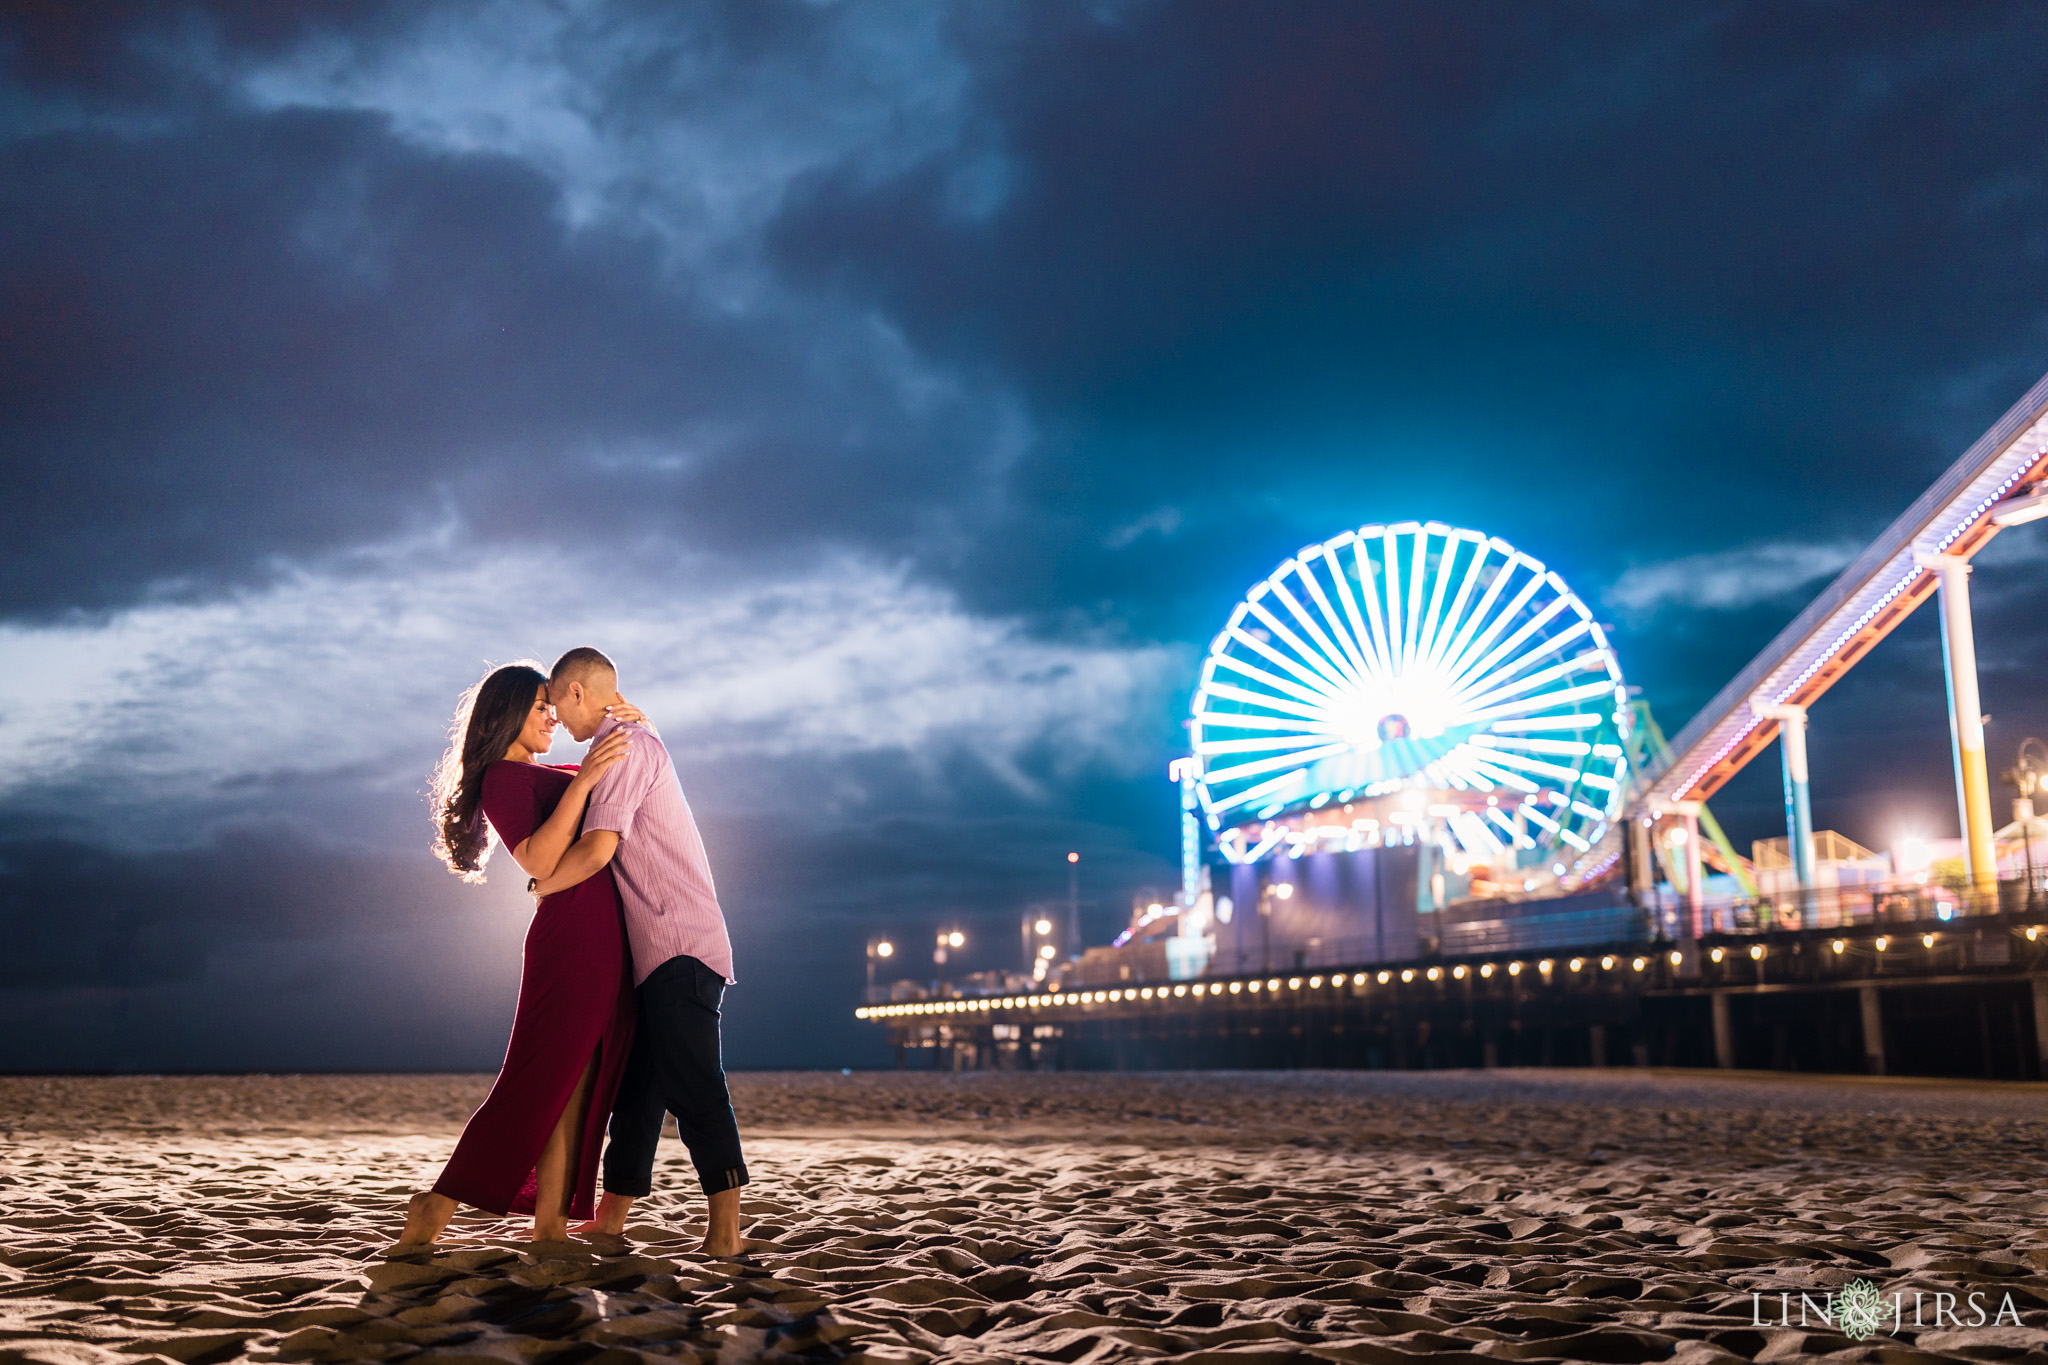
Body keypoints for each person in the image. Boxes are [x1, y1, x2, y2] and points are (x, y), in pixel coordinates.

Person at [396, 662, 641, 1247]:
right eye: (538, 706)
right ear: (506, 712)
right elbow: (536, 861)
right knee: (534, 1082)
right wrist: (582, 783)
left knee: (573, 1086)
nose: (551, 715)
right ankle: (437, 1204)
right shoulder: (504, 778)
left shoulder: (546, 771)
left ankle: (551, 1224)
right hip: (572, 940)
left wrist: (625, 716)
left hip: (605, 935)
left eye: (551, 704)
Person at [532, 646, 748, 1258]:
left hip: (679, 942)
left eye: (554, 703)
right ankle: (612, 1219)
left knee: (694, 1087)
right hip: (658, 950)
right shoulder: (633, 739)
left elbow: (600, 848)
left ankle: (727, 1232)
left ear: (577, 692)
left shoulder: (624, 746)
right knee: (639, 1091)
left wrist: (540, 884)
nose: (556, 721)